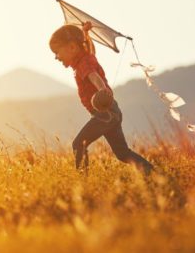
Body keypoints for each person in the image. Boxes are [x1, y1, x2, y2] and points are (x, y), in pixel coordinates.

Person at [49, 21, 154, 175]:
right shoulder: (87, 57)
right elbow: (89, 48)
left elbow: (94, 77)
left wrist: (103, 90)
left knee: (79, 144)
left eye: (57, 52)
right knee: (123, 153)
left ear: (72, 47)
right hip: (112, 112)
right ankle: (152, 173)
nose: (56, 57)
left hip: (105, 114)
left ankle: (82, 181)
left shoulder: (83, 65)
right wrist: (86, 34)